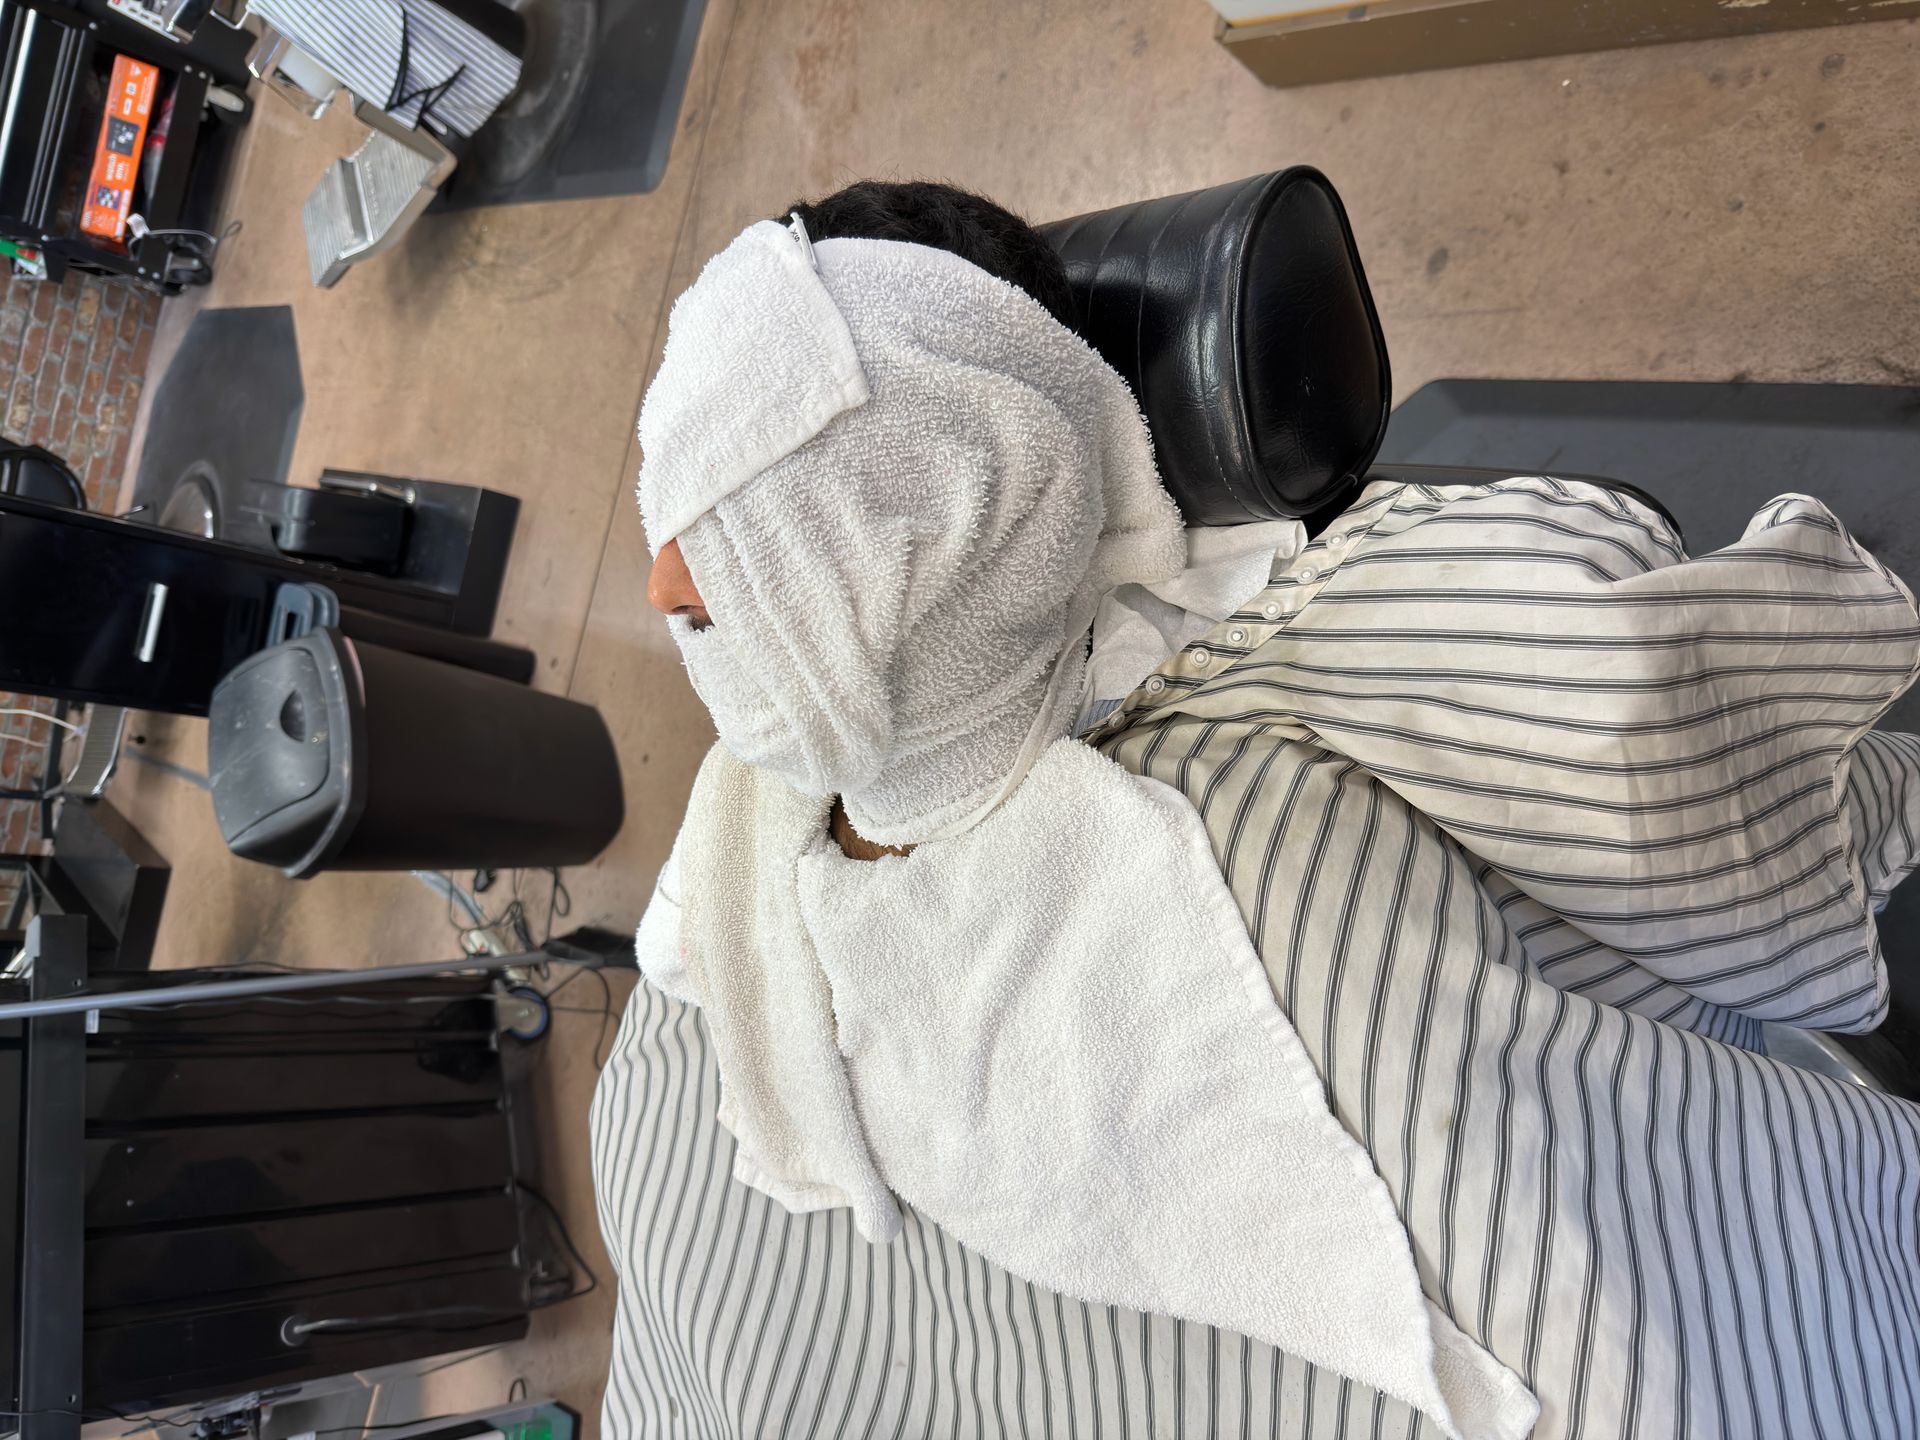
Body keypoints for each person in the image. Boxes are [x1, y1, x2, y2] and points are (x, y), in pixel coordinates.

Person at [592, 180, 1920, 1439]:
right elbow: (1751, 818)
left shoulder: (683, 995)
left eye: (737, 517)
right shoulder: (728, 911)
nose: (660, 583)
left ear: (986, 484)